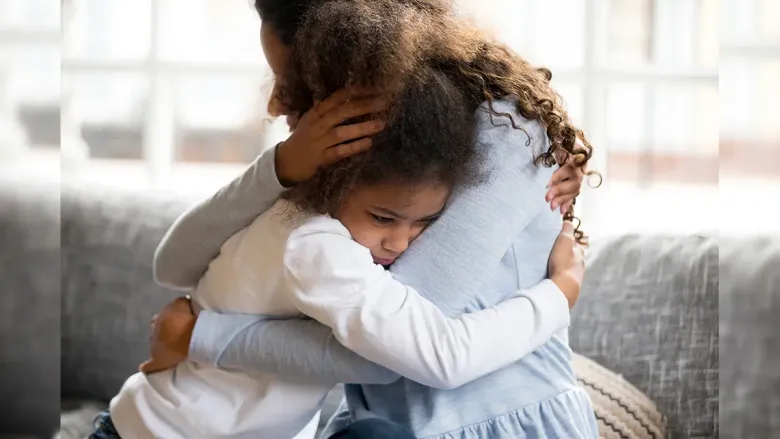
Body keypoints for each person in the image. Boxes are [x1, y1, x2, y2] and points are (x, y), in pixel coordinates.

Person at [144, 0, 599, 438]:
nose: (276, 105)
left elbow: (401, 352)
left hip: (500, 424)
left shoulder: (507, 131)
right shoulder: (357, 157)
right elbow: (172, 265)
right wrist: (280, 166)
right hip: (380, 422)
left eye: (289, 78)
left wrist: (199, 335)